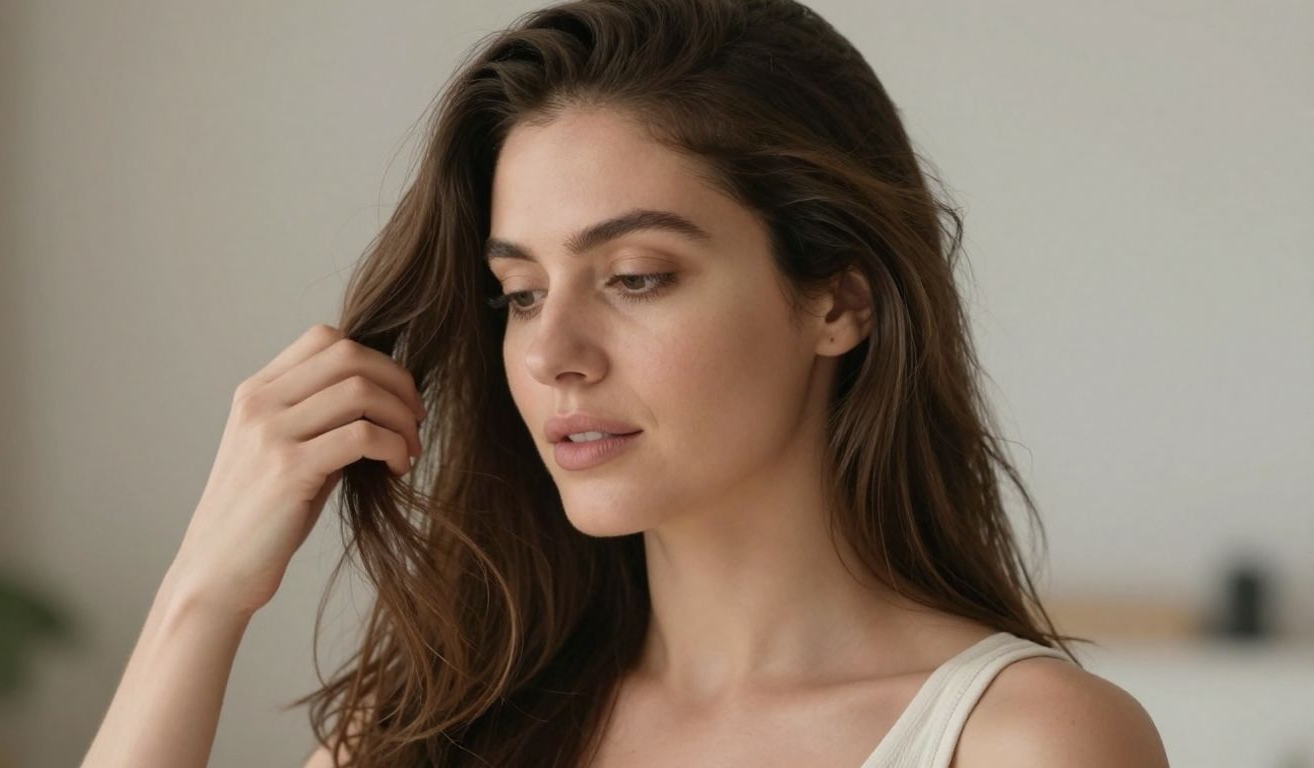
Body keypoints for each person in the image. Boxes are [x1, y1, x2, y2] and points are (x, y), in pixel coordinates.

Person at [82, 0, 1171, 766]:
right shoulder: (442, 729)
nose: (554, 351)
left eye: (636, 277)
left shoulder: (1019, 742)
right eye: (517, 292)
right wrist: (202, 595)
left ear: (838, 302)